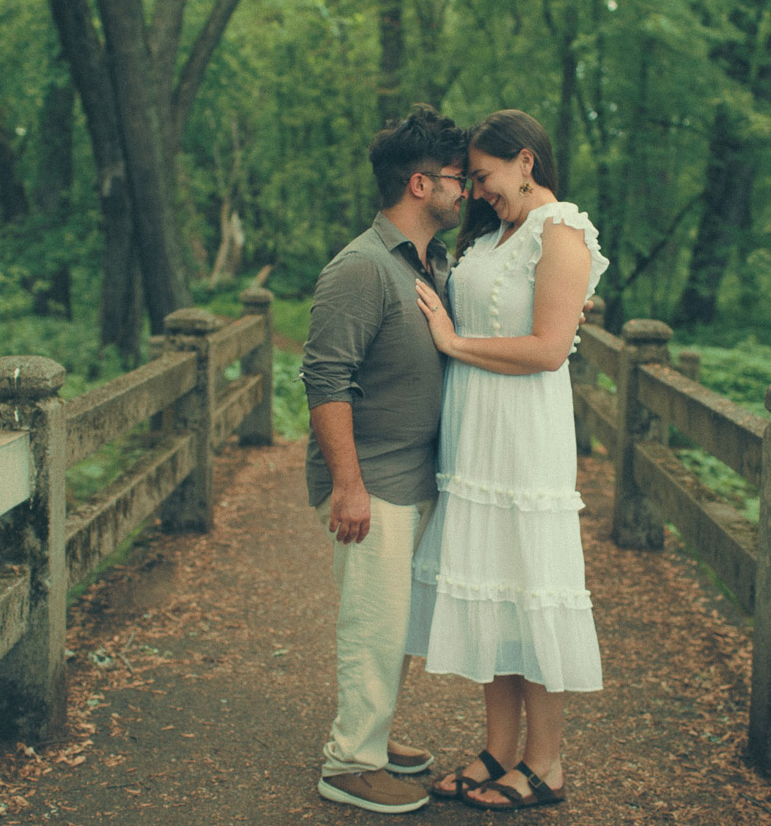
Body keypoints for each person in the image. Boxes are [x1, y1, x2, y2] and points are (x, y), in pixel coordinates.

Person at [408, 108, 607, 811]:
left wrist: (454, 343)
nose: (477, 190)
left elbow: (549, 349)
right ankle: (498, 749)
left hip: (523, 436)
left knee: (529, 587)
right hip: (475, 433)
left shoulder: (562, 233)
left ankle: (545, 763)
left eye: (483, 175)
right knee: (493, 587)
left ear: (525, 160)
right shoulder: (496, 235)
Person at [300, 103, 469, 814]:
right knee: (373, 625)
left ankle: (373, 733)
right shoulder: (361, 268)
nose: (466, 191)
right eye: (458, 178)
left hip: (415, 472)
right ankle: (350, 763)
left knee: (397, 622)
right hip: (371, 479)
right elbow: (324, 378)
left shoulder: (432, 262)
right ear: (420, 185)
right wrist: (348, 485)